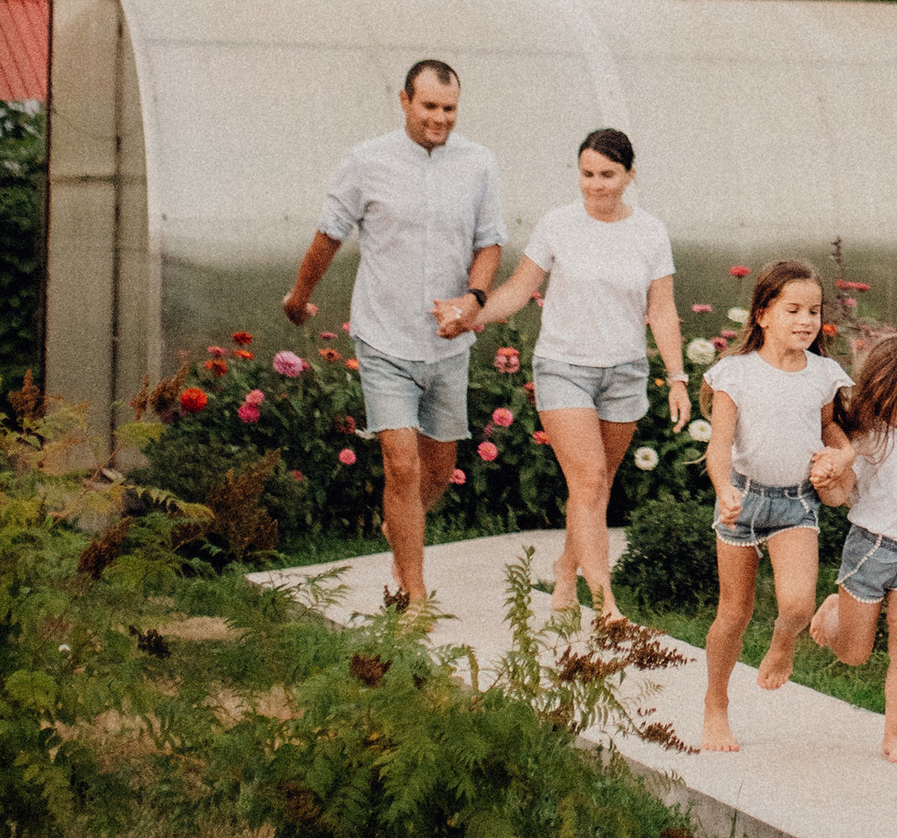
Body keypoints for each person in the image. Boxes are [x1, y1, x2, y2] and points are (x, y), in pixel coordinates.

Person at [282, 58, 504, 608]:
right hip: (384, 339)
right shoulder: (366, 161)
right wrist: (298, 296)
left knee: (439, 469)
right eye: (429, 106)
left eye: (449, 109)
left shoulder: (478, 164)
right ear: (405, 101)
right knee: (401, 467)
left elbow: (490, 241)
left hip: (449, 342)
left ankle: (399, 525)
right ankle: (414, 594)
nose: (440, 119)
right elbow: (329, 235)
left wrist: (473, 300)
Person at [470, 127, 690, 617]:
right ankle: (605, 603)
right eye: (587, 174)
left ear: (630, 175)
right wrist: (473, 313)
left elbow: (664, 308)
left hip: (625, 374)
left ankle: (567, 568)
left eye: (608, 175)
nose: (596, 185)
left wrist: (677, 377)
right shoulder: (557, 224)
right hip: (563, 368)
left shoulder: (650, 232)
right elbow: (519, 289)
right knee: (589, 481)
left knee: (596, 484)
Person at [701, 256, 846, 753]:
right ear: (762, 314)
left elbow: (831, 431)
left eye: (814, 311)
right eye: (793, 310)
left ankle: (783, 644)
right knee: (734, 613)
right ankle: (715, 706)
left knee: (798, 604)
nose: (806, 321)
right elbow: (719, 446)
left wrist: (839, 455)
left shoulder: (824, 374)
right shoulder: (734, 374)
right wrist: (724, 490)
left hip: (796, 505)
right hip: (743, 500)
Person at [810, 329, 897, 764]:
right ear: (882, 391)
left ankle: (895, 736)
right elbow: (840, 496)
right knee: (854, 655)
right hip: (870, 554)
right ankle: (835, 608)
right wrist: (827, 480)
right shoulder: (866, 441)